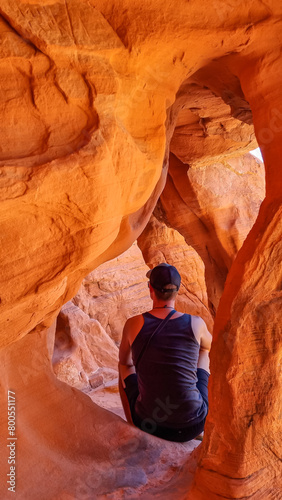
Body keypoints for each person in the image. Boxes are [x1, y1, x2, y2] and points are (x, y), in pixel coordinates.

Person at [118, 263, 212, 442]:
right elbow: (210, 345)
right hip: (194, 424)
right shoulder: (196, 323)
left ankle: (132, 424)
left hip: (151, 426)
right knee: (204, 350)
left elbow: (125, 361)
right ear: (178, 290)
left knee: (123, 366)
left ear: (150, 289)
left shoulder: (133, 324)